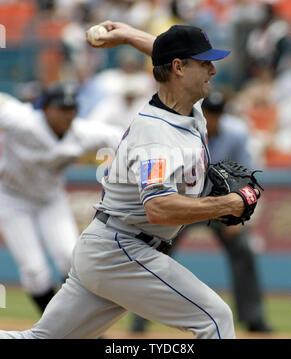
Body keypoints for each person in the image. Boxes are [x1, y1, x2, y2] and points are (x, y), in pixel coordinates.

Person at [0, 21, 261, 339]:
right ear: (179, 69)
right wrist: (229, 203)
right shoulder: (157, 136)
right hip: (122, 249)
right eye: (205, 62)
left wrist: (127, 36)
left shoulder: (185, 106)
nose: (213, 69)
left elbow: (167, 53)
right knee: (215, 319)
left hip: (110, 248)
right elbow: (159, 208)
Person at [130, 91, 272, 334]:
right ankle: (139, 321)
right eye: (211, 113)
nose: (214, 119)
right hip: (183, 202)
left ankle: (254, 318)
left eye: (218, 114)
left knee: (244, 248)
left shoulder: (236, 133)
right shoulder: (188, 128)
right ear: (204, 113)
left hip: (219, 206)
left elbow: (248, 177)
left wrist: (237, 217)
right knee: (154, 249)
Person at [0, 83, 122, 313]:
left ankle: (81, 326)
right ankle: (55, 328)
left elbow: (121, 137)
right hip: (11, 197)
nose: (69, 114)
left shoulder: (81, 133)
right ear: (45, 108)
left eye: (72, 108)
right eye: (62, 108)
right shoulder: (22, 120)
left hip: (50, 200)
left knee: (73, 260)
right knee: (34, 271)